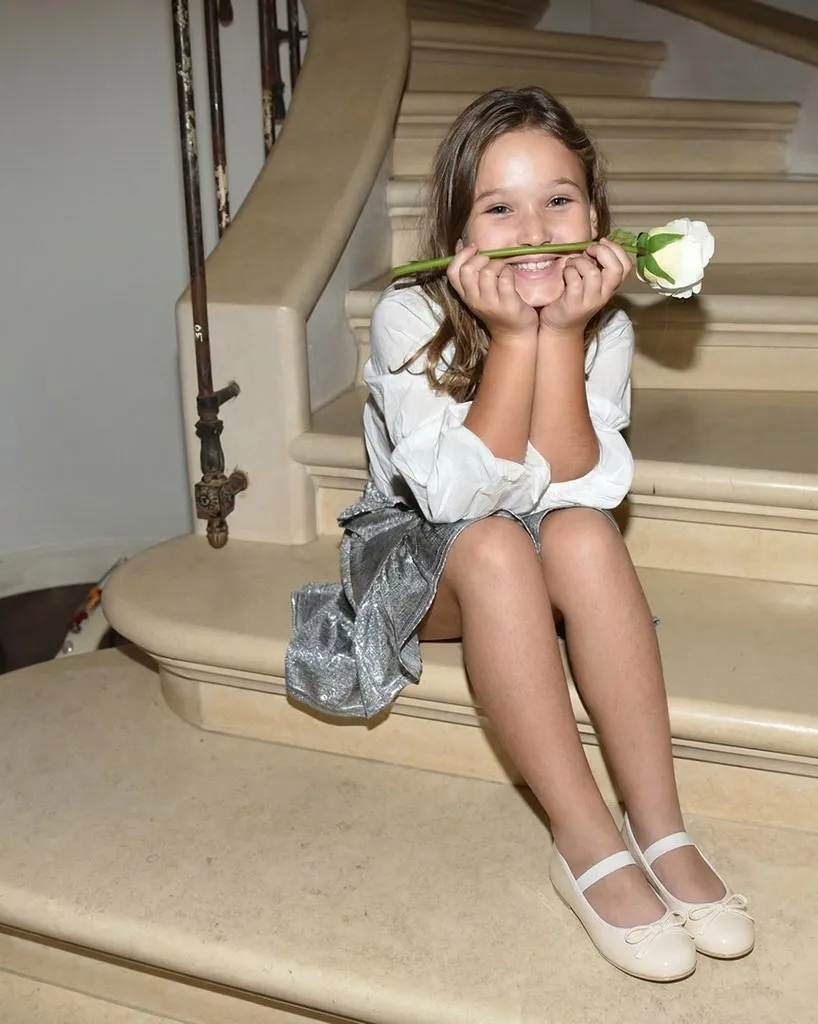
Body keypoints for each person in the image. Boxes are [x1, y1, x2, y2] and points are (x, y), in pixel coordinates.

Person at [286, 86, 753, 982]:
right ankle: (584, 841)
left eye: (558, 200)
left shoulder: (606, 326)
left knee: (583, 534)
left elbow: (580, 482)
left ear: (595, 216)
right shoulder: (409, 315)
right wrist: (512, 338)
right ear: (459, 231)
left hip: (541, 529)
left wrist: (563, 334)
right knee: (497, 542)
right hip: (419, 547)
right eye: (499, 208)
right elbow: (455, 500)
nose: (534, 229)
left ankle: (660, 827)